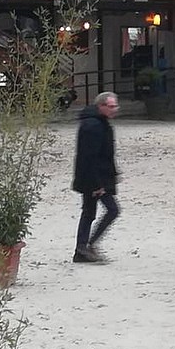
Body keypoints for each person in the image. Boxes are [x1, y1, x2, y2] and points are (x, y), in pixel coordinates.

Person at [72, 91, 120, 263]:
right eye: (112, 106)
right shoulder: (93, 126)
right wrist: (96, 184)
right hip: (94, 178)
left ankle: (82, 248)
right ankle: (87, 246)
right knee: (111, 210)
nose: (115, 109)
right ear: (101, 106)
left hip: (96, 176)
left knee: (89, 213)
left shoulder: (99, 123)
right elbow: (89, 157)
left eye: (116, 106)